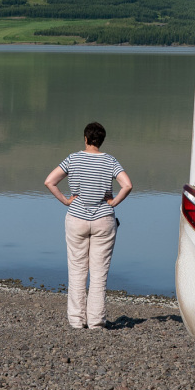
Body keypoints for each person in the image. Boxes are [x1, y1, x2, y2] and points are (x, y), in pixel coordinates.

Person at [44, 121, 133, 330]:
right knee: (99, 273)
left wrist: (66, 201)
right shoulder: (110, 161)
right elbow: (127, 185)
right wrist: (114, 202)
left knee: (77, 271)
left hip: (76, 219)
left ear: (85, 139)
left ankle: (76, 321)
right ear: (101, 141)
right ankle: (96, 321)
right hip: (104, 219)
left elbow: (49, 181)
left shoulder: (73, 159)